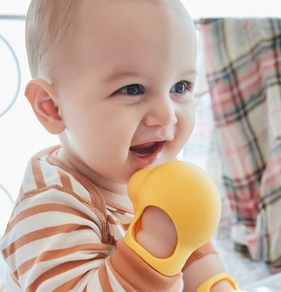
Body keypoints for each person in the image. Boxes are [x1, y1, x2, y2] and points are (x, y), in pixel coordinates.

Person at [1, 0, 238, 291]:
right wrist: (157, 244)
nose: (166, 115)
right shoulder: (48, 211)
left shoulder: (157, 175)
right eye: (132, 89)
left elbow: (194, 251)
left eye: (181, 87)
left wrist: (214, 284)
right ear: (53, 107)